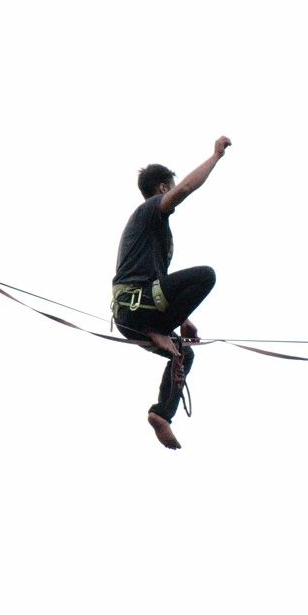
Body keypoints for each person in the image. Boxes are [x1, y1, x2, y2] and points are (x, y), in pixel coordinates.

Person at [112, 136, 232, 449]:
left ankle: (161, 414)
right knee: (205, 276)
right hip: (136, 306)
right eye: (170, 188)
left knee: (184, 354)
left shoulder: (152, 233)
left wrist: (184, 320)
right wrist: (215, 156)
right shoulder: (151, 209)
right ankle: (157, 329)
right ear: (163, 187)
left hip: (134, 312)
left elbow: (158, 284)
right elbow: (187, 188)